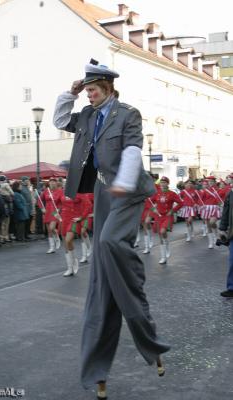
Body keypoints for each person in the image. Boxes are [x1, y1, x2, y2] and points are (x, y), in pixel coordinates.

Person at [54, 59, 170, 396]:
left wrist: (123, 181)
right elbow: (61, 120)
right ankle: (99, 367)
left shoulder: (127, 113)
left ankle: (131, 279)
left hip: (128, 189)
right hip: (105, 191)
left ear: (107, 88)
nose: (88, 95)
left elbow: (133, 149)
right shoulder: (88, 115)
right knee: (103, 279)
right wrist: (69, 93)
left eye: (92, 89)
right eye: (86, 89)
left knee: (108, 243)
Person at [151, 177, 183, 264]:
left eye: (164, 182)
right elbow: (150, 202)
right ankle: (163, 256)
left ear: (167, 183)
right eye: (161, 182)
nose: (162, 184)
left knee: (162, 231)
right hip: (159, 216)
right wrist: (153, 209)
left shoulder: (172, 193)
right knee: (161, 236)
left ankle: (166, 244)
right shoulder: (157, 193)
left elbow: (181, 203)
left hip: (167, 216)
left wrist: (172, 211)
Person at [219, 188, 233, 298]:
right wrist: (222, 228)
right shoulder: (231, 193)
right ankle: (231, 288)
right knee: (232, 260)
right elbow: (226, 211)